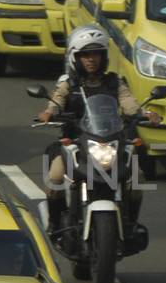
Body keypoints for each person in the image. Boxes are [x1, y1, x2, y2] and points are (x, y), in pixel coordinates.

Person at [35, 26, 159, 236]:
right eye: (86, 55)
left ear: (104, 57)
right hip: (75, 142)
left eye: (96, 54)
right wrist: (49, 112)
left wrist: (144, 114)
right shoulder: (68, 83)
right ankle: (55, 223)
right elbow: (56, 100)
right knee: (55, 176)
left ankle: (130, 223)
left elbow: (129, 104)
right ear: (76, 57)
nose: (91, 60)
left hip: (110, 141)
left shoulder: (114, 82)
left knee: (136, 177)